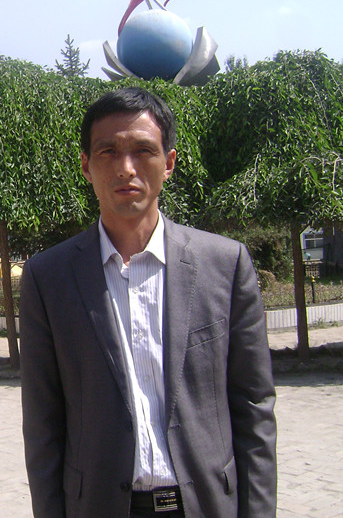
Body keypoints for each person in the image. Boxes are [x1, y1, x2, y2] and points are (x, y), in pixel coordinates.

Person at [19, 87, 277, 518]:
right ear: (86, 166)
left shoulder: (224, 265)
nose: (126, 168)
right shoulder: (49, 278)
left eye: (143, 150)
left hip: (206, 504)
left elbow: (254, 408)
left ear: (169, 163)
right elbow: (43, 425)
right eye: (108, 152)